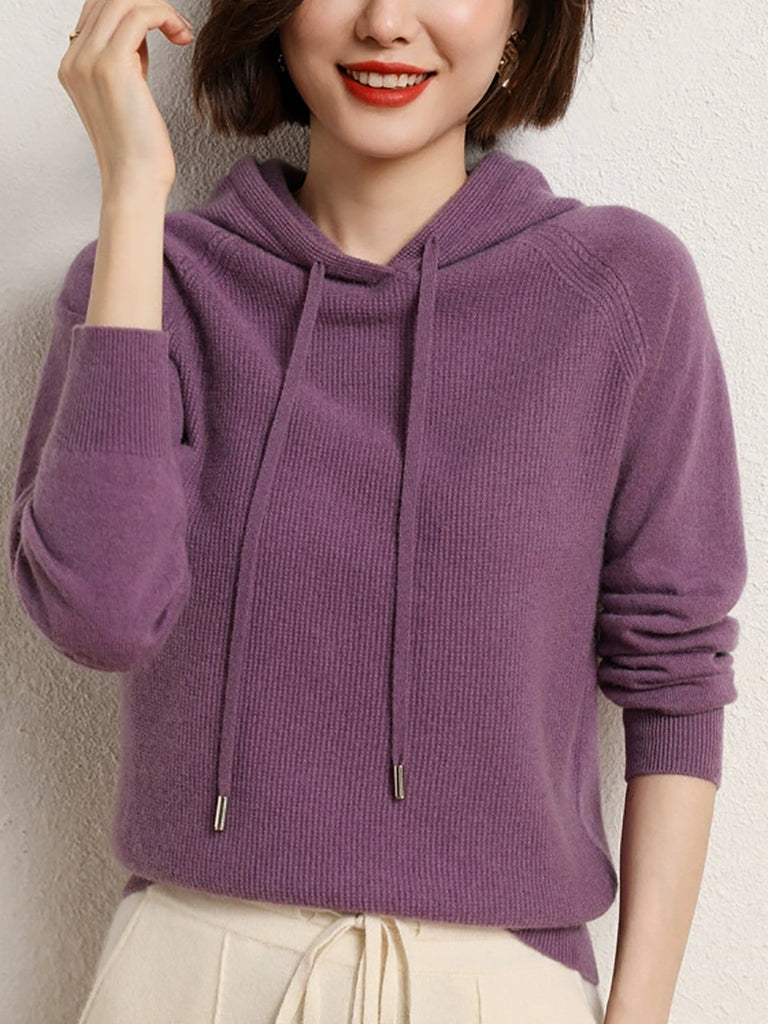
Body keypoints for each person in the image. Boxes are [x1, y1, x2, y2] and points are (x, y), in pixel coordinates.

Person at [6, 0, 748, 1022]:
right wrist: (131, 191)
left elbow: (676, 673)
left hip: (499, 989)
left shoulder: (620, 289)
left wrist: (641, 1013)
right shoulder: (150, 285)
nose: (387, 21)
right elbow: (99, 615)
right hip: (192, 975)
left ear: (523, 19)